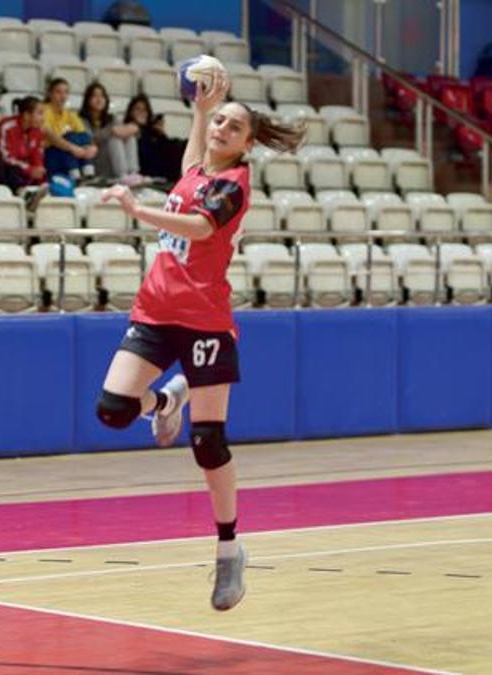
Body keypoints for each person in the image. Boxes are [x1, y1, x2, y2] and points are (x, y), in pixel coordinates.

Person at [98, 74, 304, 611]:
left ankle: (229, 549)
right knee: (114, 409)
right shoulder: (197, 170)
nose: (222, 128)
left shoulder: (234, 184)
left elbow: (198, 228)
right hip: (155, 310)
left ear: (247, 143)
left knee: (208, 443)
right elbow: (191, 163)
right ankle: (167, 401)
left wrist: (137, 210)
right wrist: (199, 109)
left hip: (205, 322)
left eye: (234, 127)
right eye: (220, 121)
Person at [79, 82, 142, 182]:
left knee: (130, 137)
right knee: (114, 139)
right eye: (95, 96)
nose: (99, 99)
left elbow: (122, 131)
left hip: (113, 159)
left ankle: (133, 173)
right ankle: (122, 175)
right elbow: (90, 139)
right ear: (88, 100)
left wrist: (133, 128)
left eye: (102, 96)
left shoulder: (111, 118)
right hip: (94, 161)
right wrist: (111, 131)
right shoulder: (82, 120)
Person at [41, 78, 98, 182]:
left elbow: (84, 134)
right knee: (69, 136)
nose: (63, 96)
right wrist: (73, 148)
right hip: (51, 153)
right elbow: (52, 137)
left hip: (69, 152)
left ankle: (87, 172)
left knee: (82, 136)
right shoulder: (44, 110)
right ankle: (76, 173)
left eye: (66, 92)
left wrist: (92, 147)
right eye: (58, 92)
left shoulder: (69, 113)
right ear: (50, 94)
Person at [0, 95, 47, 192]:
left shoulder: (37, 131)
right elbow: (5, 156)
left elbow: (37, 155)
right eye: (40, 113)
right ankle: (21, 192)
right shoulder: (6, 126)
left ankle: (42, 190)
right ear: (26, 115)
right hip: (2, 166)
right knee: (10, 169)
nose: (43, 118)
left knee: (45, 169)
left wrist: (38, 168)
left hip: (21, 166)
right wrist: (29, 169)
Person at [125, 94, 185, 184]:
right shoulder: (128, 128)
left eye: (144, 110)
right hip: (141, 171)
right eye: (137, 109)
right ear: (131, 112)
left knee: (178, 144)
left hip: (160, 171)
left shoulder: (152, 131)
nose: (141, 112)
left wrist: (161, 134)